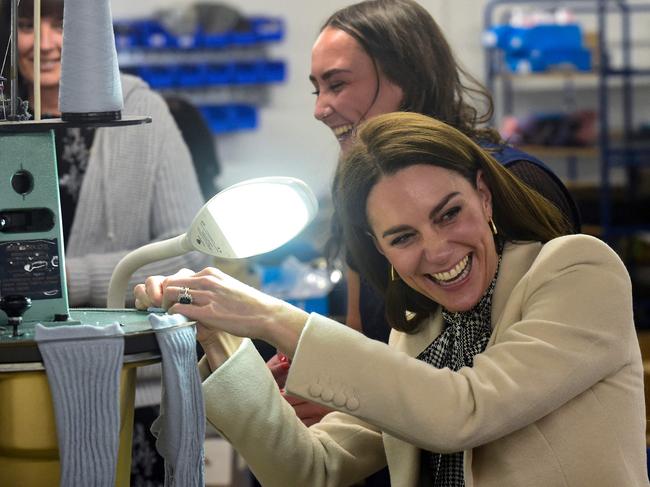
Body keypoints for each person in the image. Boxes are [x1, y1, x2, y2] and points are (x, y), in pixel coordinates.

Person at [135, 112, 647, 486]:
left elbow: (461, 410)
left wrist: (270, 315)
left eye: (449, 214)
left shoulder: (577, 270)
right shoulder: (417, 334)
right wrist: (221, 335)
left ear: (484, 196)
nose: (437, 250)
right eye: (402, 238)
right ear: (379, 249)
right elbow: (309, 470)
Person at [268, 0, 583, 444]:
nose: (321, 109)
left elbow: (508, 389)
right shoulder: (362, 195)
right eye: (316, 89)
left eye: (337, 84)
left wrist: (353, 393)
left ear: (407, 77)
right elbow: (371, 345)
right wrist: (318, 382)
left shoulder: (517, 183)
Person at [8, 0, 210, 308]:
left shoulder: (144, 110)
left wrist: (69, 279)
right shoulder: (5, 119)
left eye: (62, 25)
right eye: (27, 26)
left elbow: (191, 251)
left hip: (124, 342)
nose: (45, 44)